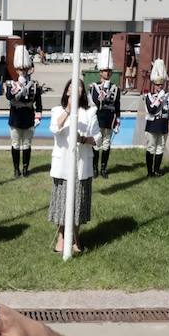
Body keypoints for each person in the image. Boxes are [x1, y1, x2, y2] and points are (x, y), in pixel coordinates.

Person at [50, 80, 101, 255]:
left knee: (78, 204)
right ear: (66, 92)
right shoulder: (57, 110)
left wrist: (84, 140)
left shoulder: (90, 112)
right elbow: (55, 128)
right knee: (62, 203)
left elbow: (98, 137)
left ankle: (76, 237)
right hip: (63, 164)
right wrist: (68, 110)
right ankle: (62, 236)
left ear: (82, 92)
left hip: (81, 165)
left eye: (78, 87)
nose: (74, 90)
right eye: (71, 87)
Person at [7, 47, 43, 177]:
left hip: (28, 118)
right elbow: (9, 97)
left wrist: (38, 117)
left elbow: (38, 104)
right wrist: (18, 89)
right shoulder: (12, 85)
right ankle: (16, 169)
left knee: (27, 144)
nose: (23, 72)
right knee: (16, 144)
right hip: (15, 118)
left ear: (29, 69)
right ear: (16, 70)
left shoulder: (34, 86)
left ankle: (25, 168)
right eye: (20, 69)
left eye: (25, 69)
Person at [88, 56, 121, 178]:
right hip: (98, 118)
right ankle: (94, 168)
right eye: (105, 71)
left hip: (109, 119)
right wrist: (100, 96)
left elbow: (117, 105)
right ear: (100, 72)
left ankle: (103, 169)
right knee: (96, 144)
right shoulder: (94, 87)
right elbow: (93, 104)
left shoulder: (116, 88)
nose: (107, 73)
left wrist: (118, 120)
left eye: (109, 71)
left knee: (106, 145)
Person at [142, 58, 169, 177]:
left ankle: (156, 170)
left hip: (163, 125)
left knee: (160, 148)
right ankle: (149, 172)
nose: (159, 87)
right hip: (152, 125)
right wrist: (159, 98)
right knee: (151, 147)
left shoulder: (168, 97)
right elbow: (151, 110)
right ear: (154, 85)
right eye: (157, 85)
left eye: (161, 84)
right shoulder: (149, 96)